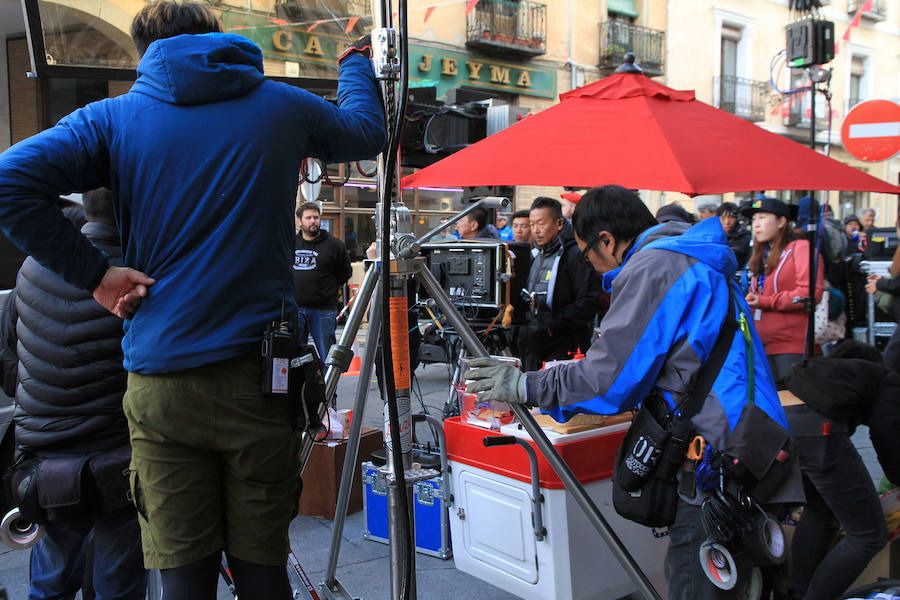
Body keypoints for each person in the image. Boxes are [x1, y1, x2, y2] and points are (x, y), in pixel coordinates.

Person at [0, 2, 385, 599]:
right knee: (262, 569)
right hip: (261, 380)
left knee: (182, 574)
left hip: (162, 384)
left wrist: (97, 276)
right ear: (217, 39)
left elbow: (8, 182)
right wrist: (356, 60)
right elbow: (366, 130)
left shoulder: (113, 118)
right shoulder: (282, 105)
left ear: (146, 53)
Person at [465, 185, 800, 599]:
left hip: (715, 453)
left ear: (607, 240)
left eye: (586, 254)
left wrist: (526, 385)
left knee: (696, 578)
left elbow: (609, 380)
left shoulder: (656, 266)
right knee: (740, 576)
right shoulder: (691, 254)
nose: (590, 266)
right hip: (753, 437)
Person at [6, 188, 147, 600]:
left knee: (50, 582)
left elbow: (9, 355)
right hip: (115, 456)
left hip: (46, 458)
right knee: (116, 586)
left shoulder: (34, 265)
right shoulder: (137, 275)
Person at [784, 340, 899, 600]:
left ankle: (797, 594)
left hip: (780, 420)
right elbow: (887, 436)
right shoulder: (885, 379)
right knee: (868, 535)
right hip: (818, 430)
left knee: (819, 512)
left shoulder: (822, 370)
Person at [743, 197, 824, 382]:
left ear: (781, 222)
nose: (756, 224)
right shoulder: (762, 254)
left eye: (762, 217)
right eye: (754, 219)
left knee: (791, 399)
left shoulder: (801, 248)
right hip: (761, 345)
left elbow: (811, 292)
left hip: (791, 346)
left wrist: (765, 302)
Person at [520, 197, 601, 371]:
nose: (536, 230)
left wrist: (552, 328)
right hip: (536, 342)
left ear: (559, 223)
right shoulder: (537, 254)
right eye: (532, 224)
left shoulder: (574, 254)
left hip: (565, 346)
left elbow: (587, 301)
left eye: (541, 224)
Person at [294, 202, 353, 368]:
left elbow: (345, 272)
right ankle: (300, 385)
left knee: (327, 356)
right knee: (294, 357)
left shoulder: (334, 245)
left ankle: (329, 386)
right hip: (295, 309)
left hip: (323, 310)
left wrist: (328, 290)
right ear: (300, 221)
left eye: (316, 217)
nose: (313, 221)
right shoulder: (291, 243)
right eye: (308, 218)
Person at [716, 202, 750, 270]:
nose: (727, 222)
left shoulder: (746, 237)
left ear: (737, 218)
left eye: (731, 217)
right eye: (723, 218)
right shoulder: (712, 237)